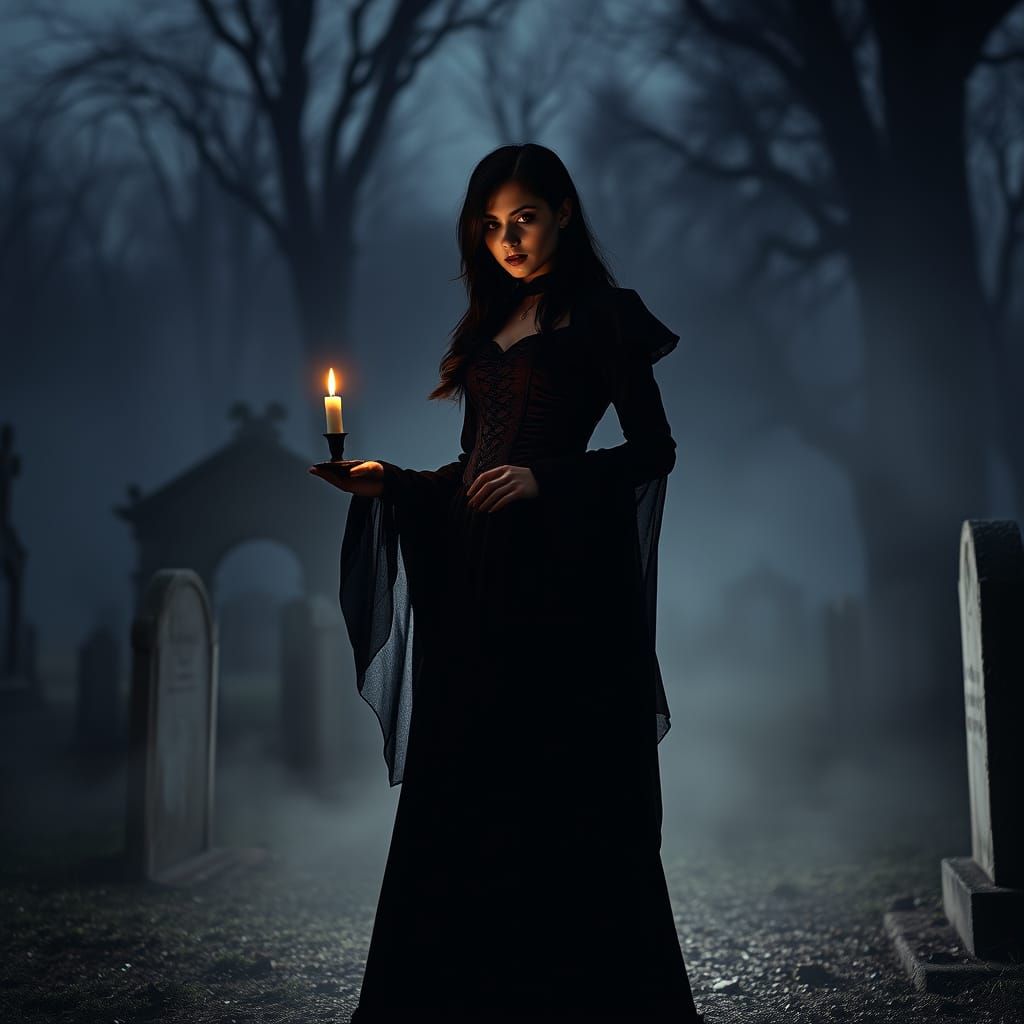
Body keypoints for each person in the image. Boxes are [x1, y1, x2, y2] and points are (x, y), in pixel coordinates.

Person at [309, 143, 702, 1023]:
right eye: (490, 226)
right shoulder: (486, 330)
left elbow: (653, 453)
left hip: (563, 599)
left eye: (523, 217)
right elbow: (470, 473)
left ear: (563, 209)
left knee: (562, 799)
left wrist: (547, 480)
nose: (508, 238)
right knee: (465, 793)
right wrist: (387, 483)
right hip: (477, 597)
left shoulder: (605, 317)